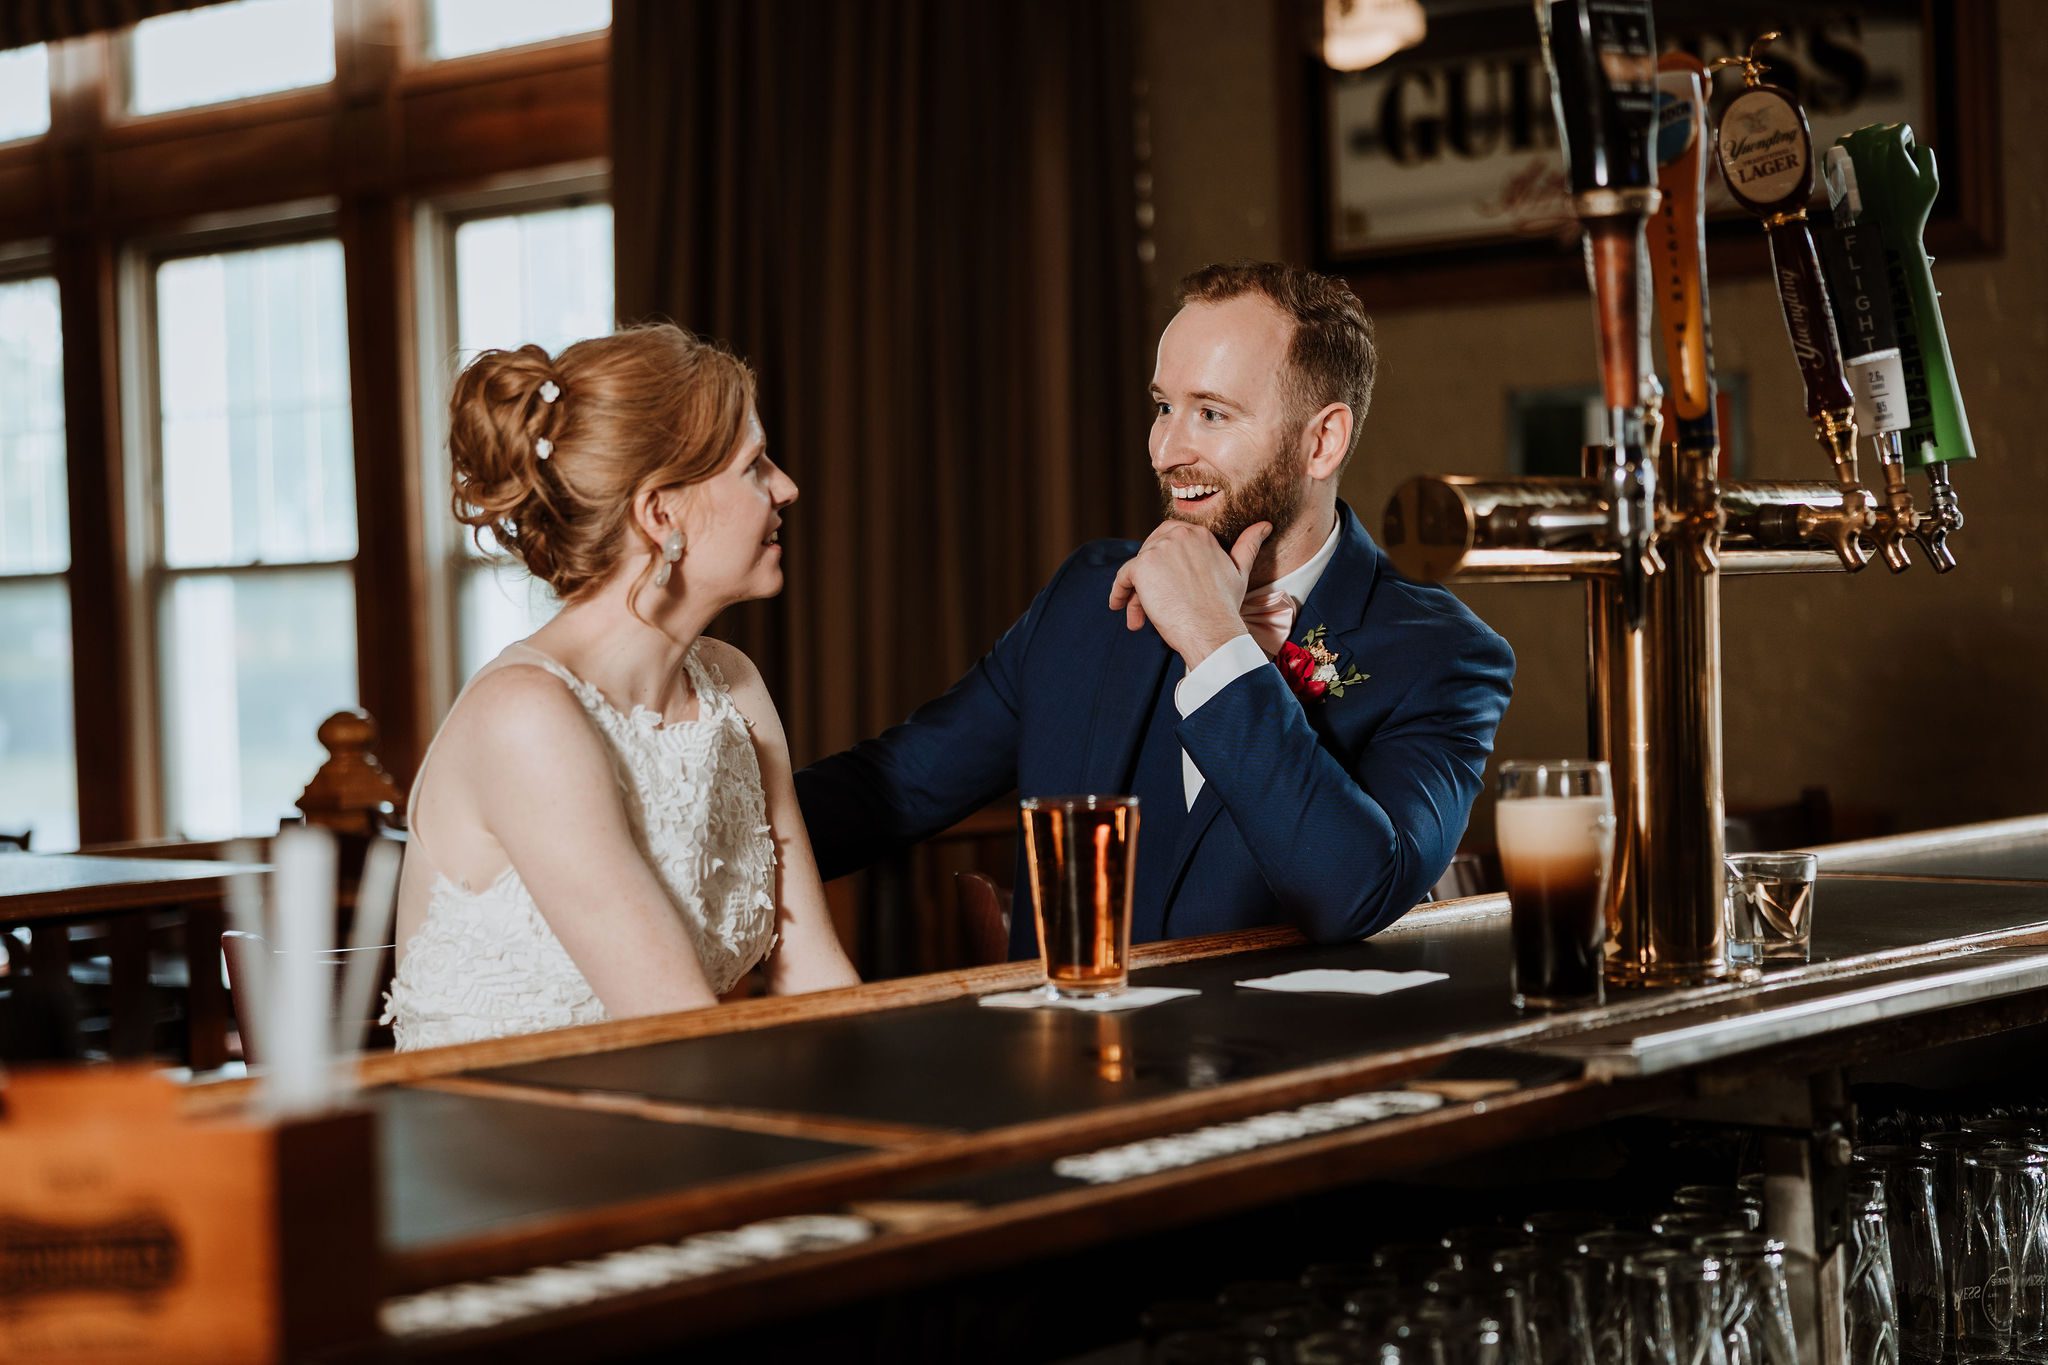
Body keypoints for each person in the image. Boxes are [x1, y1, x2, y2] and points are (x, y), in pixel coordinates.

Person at [796, 262, 1514, 952]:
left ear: (1321, 440)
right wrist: (697, 828)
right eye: (1163, 407)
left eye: (1211, 412)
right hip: (1063, 1063)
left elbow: (1351, 892)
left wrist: (1214, 637)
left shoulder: (1442, 654)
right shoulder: (1089, 596)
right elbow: (892, 789)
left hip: (1283, 1071)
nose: (1167, 448)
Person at [385, 326, 858, 1050]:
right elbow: (680, 1029)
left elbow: (816, 974)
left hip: (668, 1110)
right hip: (507, 1141)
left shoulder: (733, 683)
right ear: (659, 513)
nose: (787, 486)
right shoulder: (526, 718)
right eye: (755, 465)